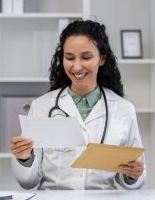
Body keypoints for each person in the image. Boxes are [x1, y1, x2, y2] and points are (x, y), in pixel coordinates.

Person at [10, 20, 146, 190]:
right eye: (69, 58)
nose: (77, 66)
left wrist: (133, 175)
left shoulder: (124, 109)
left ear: (101, 58)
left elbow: (134, 179)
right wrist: (24, 158)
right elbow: (27, 182)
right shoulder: (42, 106)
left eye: (86, 57)